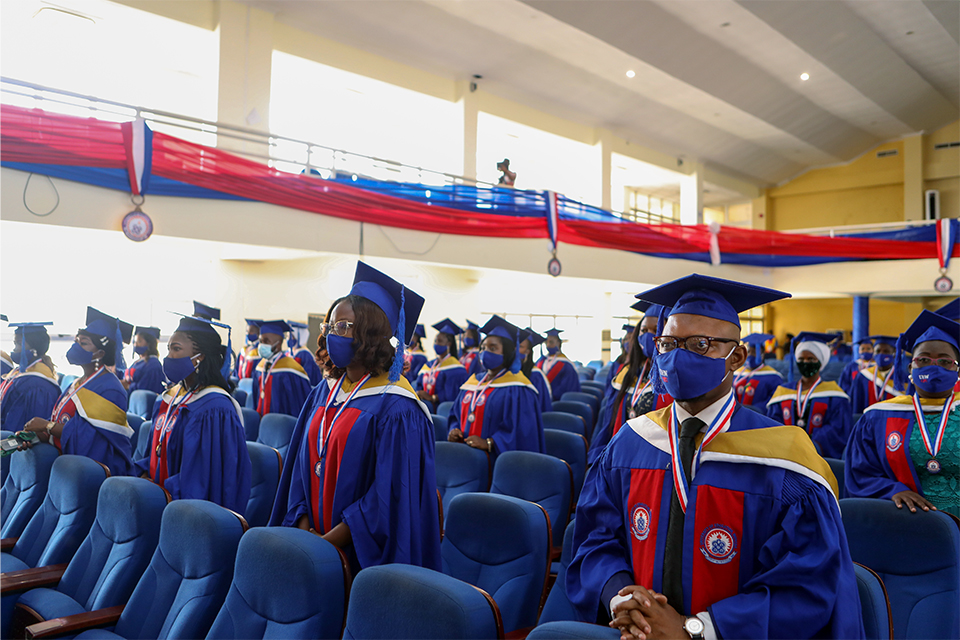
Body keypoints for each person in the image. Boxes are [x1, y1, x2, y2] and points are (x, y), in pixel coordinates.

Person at [568, 274, 862, 640]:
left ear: (735, 356)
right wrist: (621, 598)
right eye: (668, 343)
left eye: (700, 344)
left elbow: (806, 586)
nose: (678, 357)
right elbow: (595, 539)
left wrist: (696, 630)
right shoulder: (630, 444)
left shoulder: (784, 463)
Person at [271, 261, 441, 575]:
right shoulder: (324, 392)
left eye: (344, 327)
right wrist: (307, 531)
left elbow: (387, 498)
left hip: (360, 558)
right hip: (313, 544)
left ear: (372, 334)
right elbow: (302, 469)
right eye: (331, 326)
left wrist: (328, 543)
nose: (333, 334)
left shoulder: (399, 409)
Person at [846, 310, 959, 517]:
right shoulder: (877, 417)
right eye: (923, 360)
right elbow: (859, 473)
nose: (934, 367)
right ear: (910, 369)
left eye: (944, 361)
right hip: (905, 524)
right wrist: (893, 490)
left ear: (957, 370)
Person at [137, 313, 251, 513]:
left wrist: (163, 496)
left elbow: (202, 479)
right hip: (158, 501)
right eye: (169, 348)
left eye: (176, 349)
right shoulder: (169, 399)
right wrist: (145, 476)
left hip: (185, 512)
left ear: (200, 357)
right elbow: (157, 452)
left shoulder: (215, 408)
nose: (169, 356)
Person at [22, 307, 134, 477]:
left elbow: (90, 439)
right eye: (76, 341)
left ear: (101, 353)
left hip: (94, 473)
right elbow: (62, 422)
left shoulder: (110, 388)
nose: (76, 346)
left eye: (83, 343)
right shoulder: (78, 383)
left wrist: (47, 426)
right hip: (68, 466)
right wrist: (37, 435)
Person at [448, 316, 545, 460]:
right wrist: (453, 430)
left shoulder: (519, 389)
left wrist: (490, 443)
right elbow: (456, 414)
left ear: (507, 352)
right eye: (483, 348)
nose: (485, 352)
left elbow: (521, 432)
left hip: (495, 462)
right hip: (464, 458)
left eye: (492, 348)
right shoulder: (473, 383)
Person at [591, 305, 672, 466]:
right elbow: (610, 423)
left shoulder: (675, 377)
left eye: (655, 329)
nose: (648, 335)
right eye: (643, 330)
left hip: (657, 462)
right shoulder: (628, 373)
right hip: (622, 456)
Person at [766, 332, 853, 459]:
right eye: (801, 359)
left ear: (820, 362)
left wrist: (812, 444)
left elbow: (837, 428)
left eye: (811, 359)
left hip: (818, 455)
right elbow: (773, 422)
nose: (806, 363)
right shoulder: (783, 391)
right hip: (785, 454)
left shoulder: (835, 395)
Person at [0, 322, 60, 433]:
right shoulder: (19, 372)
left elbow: (18, 424)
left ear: (34, 348)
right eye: (15, 344)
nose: (14, 350)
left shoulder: (37, 383)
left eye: (18, 344)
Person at [253, 320, 313, 417]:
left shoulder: (292, 370)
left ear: (278, 344)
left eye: (266, 341)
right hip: (262, 426)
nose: (262, 345)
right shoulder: (260, 367)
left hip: (283, 427)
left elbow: (299, 406)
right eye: (261, 341)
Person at [417, 319, 469, 411]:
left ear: (449, 344)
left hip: (440, 408)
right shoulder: (429, 364)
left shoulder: (456, 369)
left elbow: (452, 394)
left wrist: (432, 397)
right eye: (435, 341)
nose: (436, 344)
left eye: (440, 341)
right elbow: (419, 384)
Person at [849, 335, 905, 414]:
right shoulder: (863, 376)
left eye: (886, 351)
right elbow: (856, 406)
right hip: (867, 423)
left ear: (894, 354)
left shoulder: (903, 378)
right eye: (877, 351)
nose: (881, 354)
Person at [732, 333, 782, 408]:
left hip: (760, 415)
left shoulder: (774, 377)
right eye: (748, 352)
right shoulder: (736, 374)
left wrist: (755, 410)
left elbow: (774, 400)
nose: (750, 355)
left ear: (762, 354)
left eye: (754, 352)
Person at [537, 329, 581, 401]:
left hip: (557, 400)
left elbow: (567, 387)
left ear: (558, 343)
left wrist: (550, 396)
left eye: (551, 342)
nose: (548, 345)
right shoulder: (541, 361)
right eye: (546, 342)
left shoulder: (566, 365)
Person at [122, 326, 165, 396]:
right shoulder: (137, 362)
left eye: (139, 341)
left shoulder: (153, 364)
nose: (135, 345)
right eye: (134, 342)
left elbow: (147, 389)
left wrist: (128, 386)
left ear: (149, 344)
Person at [520, 328, 552, 412]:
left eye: (520, 346)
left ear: (528, 351)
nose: (516, 350)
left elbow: (541, 406)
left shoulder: (536, 375)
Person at [287, 320, 324, 386]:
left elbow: (307, 378)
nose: (289, 339)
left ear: (299, 337)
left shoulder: (305, 355)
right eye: (288, 336)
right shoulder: (288, 353)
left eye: (292, 336)